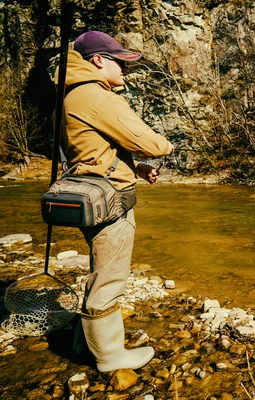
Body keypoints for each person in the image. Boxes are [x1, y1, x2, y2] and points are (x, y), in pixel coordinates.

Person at [57, 30, 173, 372]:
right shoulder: (97, 97)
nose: (126, 69)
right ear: (98, 60)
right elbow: (150, 142)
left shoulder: (70, 95)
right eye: (119, 61)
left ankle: (82, 343)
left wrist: (133, 166)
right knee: (110, 277)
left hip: (88, 194)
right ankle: (109, 356)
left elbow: (89, 150)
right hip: (109, 201)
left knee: (100, 269)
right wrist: (165, 146)